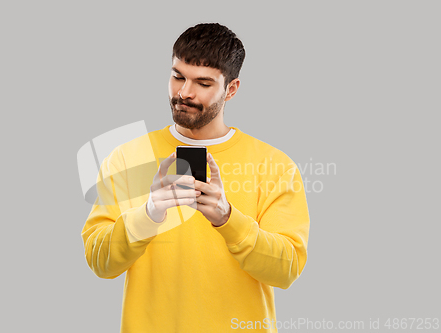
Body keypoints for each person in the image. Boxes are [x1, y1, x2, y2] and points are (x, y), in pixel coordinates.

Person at [81, 23, 310, 332]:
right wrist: (148, 215)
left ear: (231, 89)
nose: (184, 92)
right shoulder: (127, 157)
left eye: (203, 83)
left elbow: (287, 270)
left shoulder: (275, 165)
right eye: (178, 76)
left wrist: (228, 219)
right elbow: (100, 262)